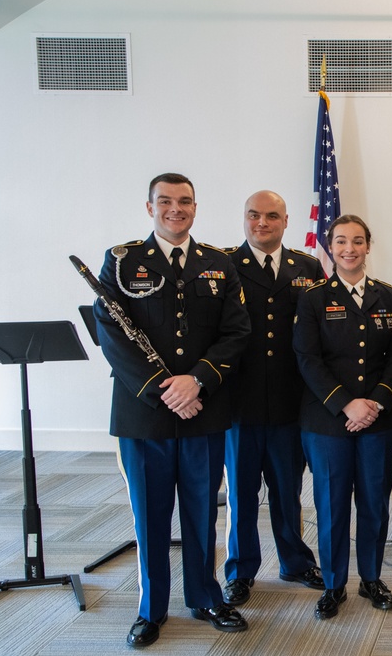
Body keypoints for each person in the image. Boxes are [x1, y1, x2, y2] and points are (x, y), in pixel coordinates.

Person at [93, 172, 251, 648]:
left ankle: (205, 597)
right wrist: (163, 390)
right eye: (165, 201)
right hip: (145, 416)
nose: (175, 209)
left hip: (203, 408)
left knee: (202, 512)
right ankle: (151, 609)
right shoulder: (122, 262)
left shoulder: (219, 264)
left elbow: (236, 331)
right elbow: (113, 336)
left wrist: (195, 379)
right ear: (149, 207)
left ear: (195, 208)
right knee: (150, 516)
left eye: (184, 202)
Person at [293, 214, 392, 620]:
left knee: (374, 502)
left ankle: (372, 578)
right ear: (330, 246)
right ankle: (334, 583)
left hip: (377, 420)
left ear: (368, 246)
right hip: (327, 422)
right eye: (341, 241)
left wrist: (374, 402)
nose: (349, 249)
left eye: (357, 241)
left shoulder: (389, 297)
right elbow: (307, 359)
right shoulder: (313, 298)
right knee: (332, 503)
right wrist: (346, 404)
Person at [221, 190, 324, 607]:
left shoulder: (308, 266)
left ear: (286, 220)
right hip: (239, 403)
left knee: (287, 490)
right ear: (244, 219)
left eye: (271, 216)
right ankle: (241, 571)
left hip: (288, 402)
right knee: (242, 493)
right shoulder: (223, 264)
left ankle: (295, 562)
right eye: (253, 215)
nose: (261, 223)